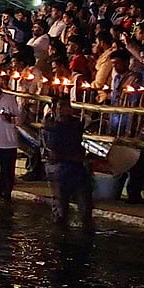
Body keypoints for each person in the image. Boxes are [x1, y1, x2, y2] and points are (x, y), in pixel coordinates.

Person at [42, 97, 92, 226]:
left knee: (85, 209)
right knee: (61, 210)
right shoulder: (50, 127)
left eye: (64, 106)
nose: (60, 110)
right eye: (58, 107)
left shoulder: (76, 124)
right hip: (60, 170)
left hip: (75, 169)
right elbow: (52, 154)